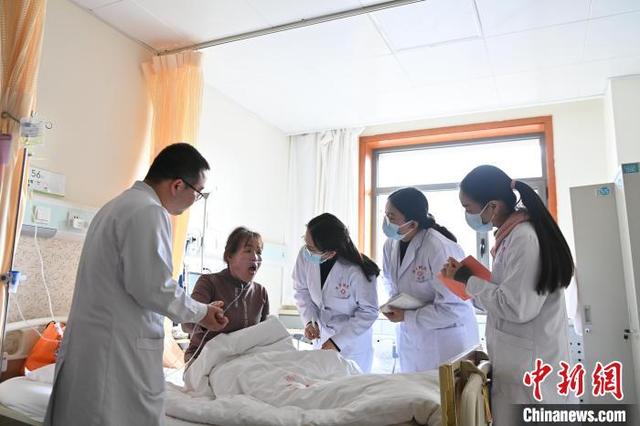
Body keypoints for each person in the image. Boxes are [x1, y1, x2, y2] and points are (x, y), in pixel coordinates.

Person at [44, 143, 229, 426]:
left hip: (99, 348)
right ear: (178, 185)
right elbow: (154, 288)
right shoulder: (149, 212)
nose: (196, 200)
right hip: (117, 354)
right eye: (199, 193)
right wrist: (201, 312)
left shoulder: (115, 206)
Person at [441, 165, 575, 425]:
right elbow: (506, 296)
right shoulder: (511, 237)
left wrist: (468, 280)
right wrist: (468, 281)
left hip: (530, 369)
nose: (467, 214)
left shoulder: (524, 238)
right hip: (518, 364)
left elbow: (516, 307)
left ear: (493, 206)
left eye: (468, 207)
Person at [382, 187, 479, 372]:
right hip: (411, 339)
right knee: (411, 388)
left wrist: (408, 316)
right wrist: (396, 306)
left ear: (412, 224)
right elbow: (389, 281)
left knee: (440, 389)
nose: (386, 221)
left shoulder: (439, 248)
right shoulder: (390, 245)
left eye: (391, 217)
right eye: (386, 215)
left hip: (445, 343)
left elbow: (454, 308)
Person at [292, 213, 379, 372]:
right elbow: (301, 290)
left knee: (351, 385)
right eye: (306, 242)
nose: (306, 250)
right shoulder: (305, 256)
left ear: (331, 252)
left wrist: (337, 341)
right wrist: (310, 321)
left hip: (351, 346)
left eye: (311, 248)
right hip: (322, 338)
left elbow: (369, 311)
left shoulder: (358, 271)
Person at [183, 226, 270, 362]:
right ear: (229, 256)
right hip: (204, 359)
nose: (255, 257)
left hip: (244, 361)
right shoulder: (208, 282)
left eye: (259, 252)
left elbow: (265, 336)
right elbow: (186, 324)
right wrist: (204, 315)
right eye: (248, 250)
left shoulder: (261, 292)